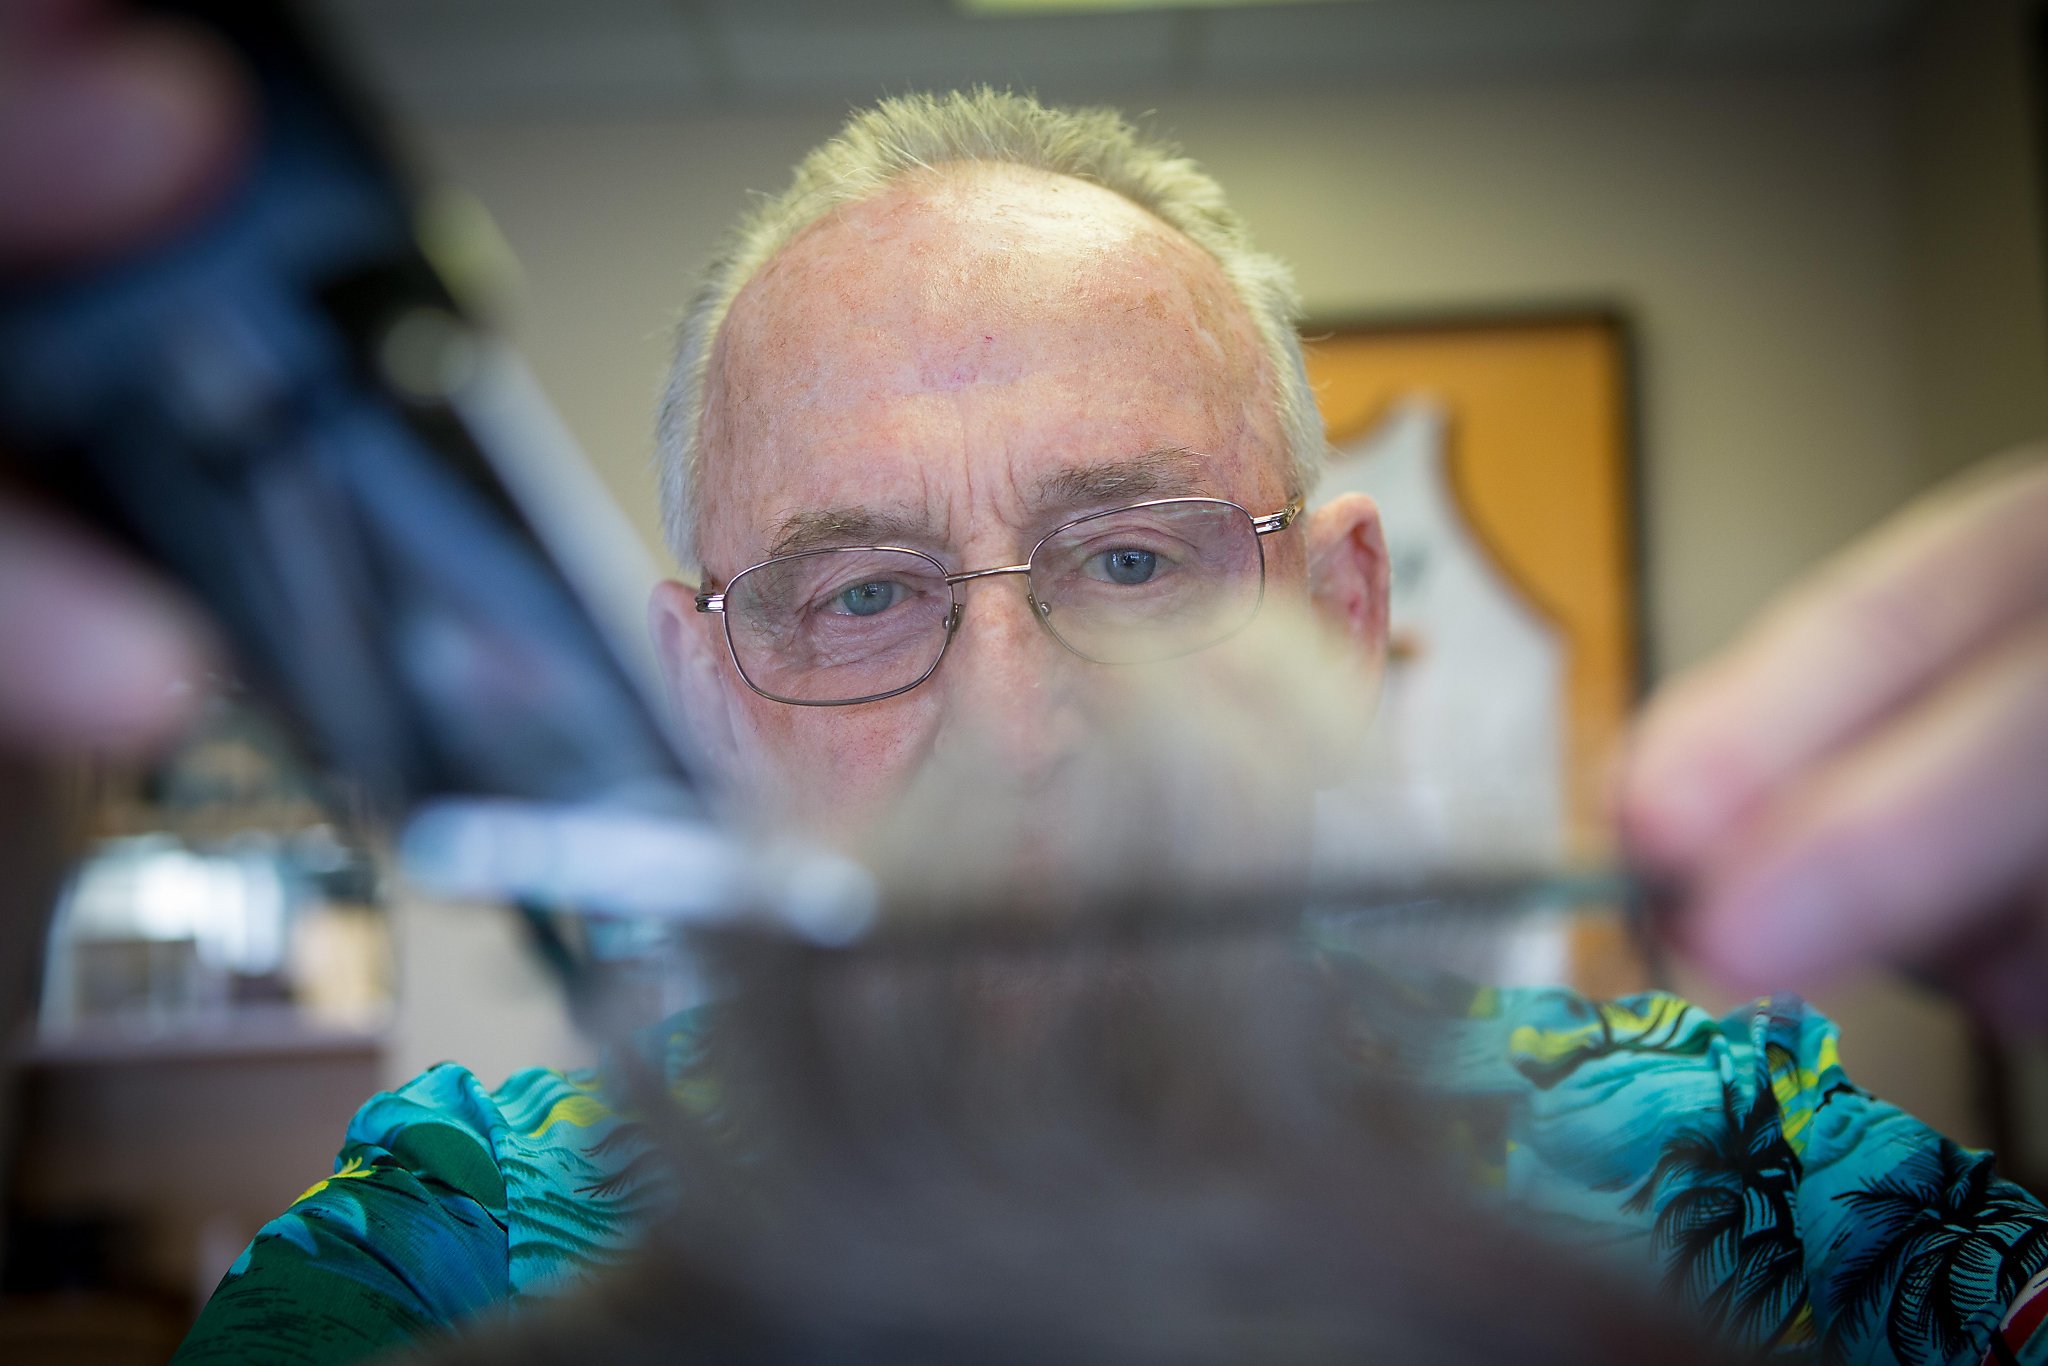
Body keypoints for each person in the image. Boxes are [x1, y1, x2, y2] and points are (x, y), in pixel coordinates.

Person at [2, 35, 2044, 1360]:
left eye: (1132, 561)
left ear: (1336, 612)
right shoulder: (444, 1244)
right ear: (706, 689)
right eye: (862, 587)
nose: (1013, 713)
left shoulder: (1760, 1178)